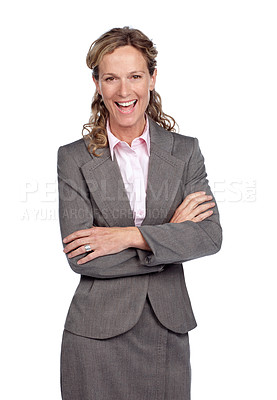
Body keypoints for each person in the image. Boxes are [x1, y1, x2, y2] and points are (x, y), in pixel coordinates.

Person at [57, 26, 222, 400]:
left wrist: (128, 236)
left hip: (167, 328)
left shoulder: (185, 152)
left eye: (135, 76)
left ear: (152, 78)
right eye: (111, 78)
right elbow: (83, 256)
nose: (124, 91)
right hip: (94, 335)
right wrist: (169, 237)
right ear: (97, 83)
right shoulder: (73, 158)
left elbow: (209, 236)